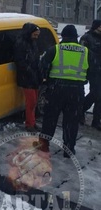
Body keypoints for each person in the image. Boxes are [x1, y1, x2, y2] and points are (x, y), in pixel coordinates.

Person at [37, 25, 89, 158]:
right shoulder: (85, 51)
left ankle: (44, 145)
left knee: (50, 118)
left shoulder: (55, 49)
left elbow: (43, 66)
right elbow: (93, 70)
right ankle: (69, 148)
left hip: (56, 89)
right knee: (71, 121)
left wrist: (46, 80)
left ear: (64, 36)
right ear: (75, 36)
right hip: (76, 91)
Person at [14, 22, 41, 132]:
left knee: (34, 101)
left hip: (33, 75)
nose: (36, 37)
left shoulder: (31, 43)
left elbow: (35, 58)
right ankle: (29, 123)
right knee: (31, 101)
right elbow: (21, 62)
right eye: (35, 35)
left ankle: (32, 122)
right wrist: (31, 71)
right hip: (27, 77)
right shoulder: (21, 44)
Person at [79, 19, 101, 131]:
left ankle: (96, 121)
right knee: (96, 94)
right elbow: (82, 54)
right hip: (92, 70)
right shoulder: (87, 38)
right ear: (96, 27)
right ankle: (81, 109)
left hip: (99, 69)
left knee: (99, 96)